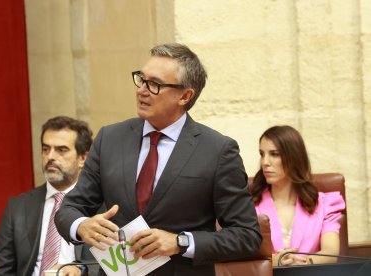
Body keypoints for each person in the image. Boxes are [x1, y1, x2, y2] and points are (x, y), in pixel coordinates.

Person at [54, 43, 262, 276]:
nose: (142, 90)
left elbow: (247, 235)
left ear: (184, 95)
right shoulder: (110, 138)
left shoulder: (217, 150)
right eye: (141, 79)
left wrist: (181, 242)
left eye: (154, 84)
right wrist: (80, 225)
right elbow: (70, 208)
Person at [0, 116, 96, 276]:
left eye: (61, 150)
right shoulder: (18, 207)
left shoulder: (100, 203)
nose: (50, 156)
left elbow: (113, 263)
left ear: (83, 158)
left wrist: (82, 270)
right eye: (46, 149)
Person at [250, 125, 345, 266]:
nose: (265, 162)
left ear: (294, 157)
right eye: (262, 154)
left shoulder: (325, 204)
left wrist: (303, 262)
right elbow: (242, 256)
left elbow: (330, 252)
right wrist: (272, 262)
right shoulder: (250, 205)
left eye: (274, 154)